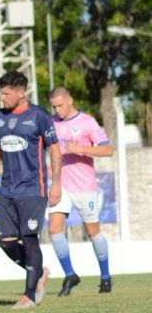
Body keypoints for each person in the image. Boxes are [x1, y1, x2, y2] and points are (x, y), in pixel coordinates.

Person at [0, 71, 61, 309]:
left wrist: (56, 182)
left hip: (33, 188)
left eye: (6, 93)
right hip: (7, 189)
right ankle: (39, 271)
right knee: (6, 241)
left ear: (21, 92)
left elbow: (54, 150)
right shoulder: (0, 117)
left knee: (29, 240)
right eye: (1, 93)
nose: (2, 98)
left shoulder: (39, 116)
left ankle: (29, 295)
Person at [48, 87, 115, 295]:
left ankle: (105, 277)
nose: (57, 110)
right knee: (54, 228)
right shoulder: (51, 122)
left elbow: (107, 149)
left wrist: (81, 149)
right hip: (61, 185)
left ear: (70, 100)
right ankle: (70, 275)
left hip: (84, 186)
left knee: (92, 231)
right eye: (54, 106)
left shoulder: (86, 121)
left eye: (60, 105)